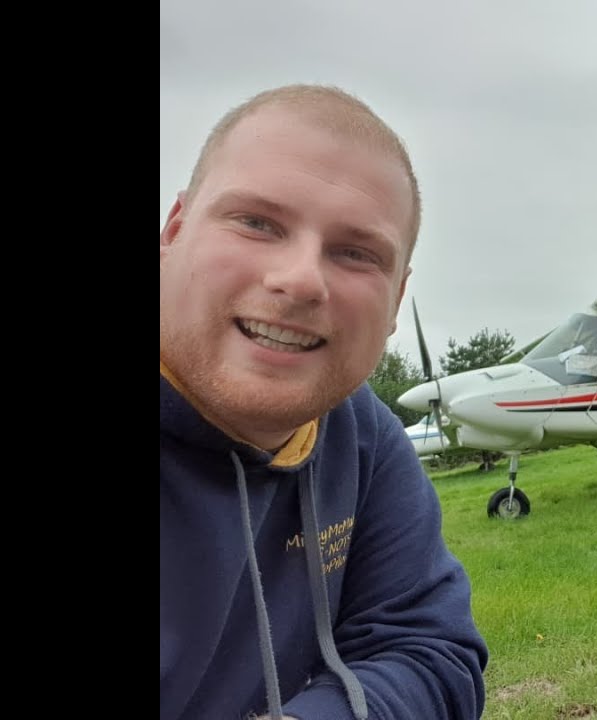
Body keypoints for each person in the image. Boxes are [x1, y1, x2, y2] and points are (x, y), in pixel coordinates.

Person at [160, 85, 488, 720]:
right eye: (256, 222)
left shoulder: (358, 431)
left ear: (396, 301)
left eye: (356, 253)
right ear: (172, 233)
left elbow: (429, 650)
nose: (302, 279)